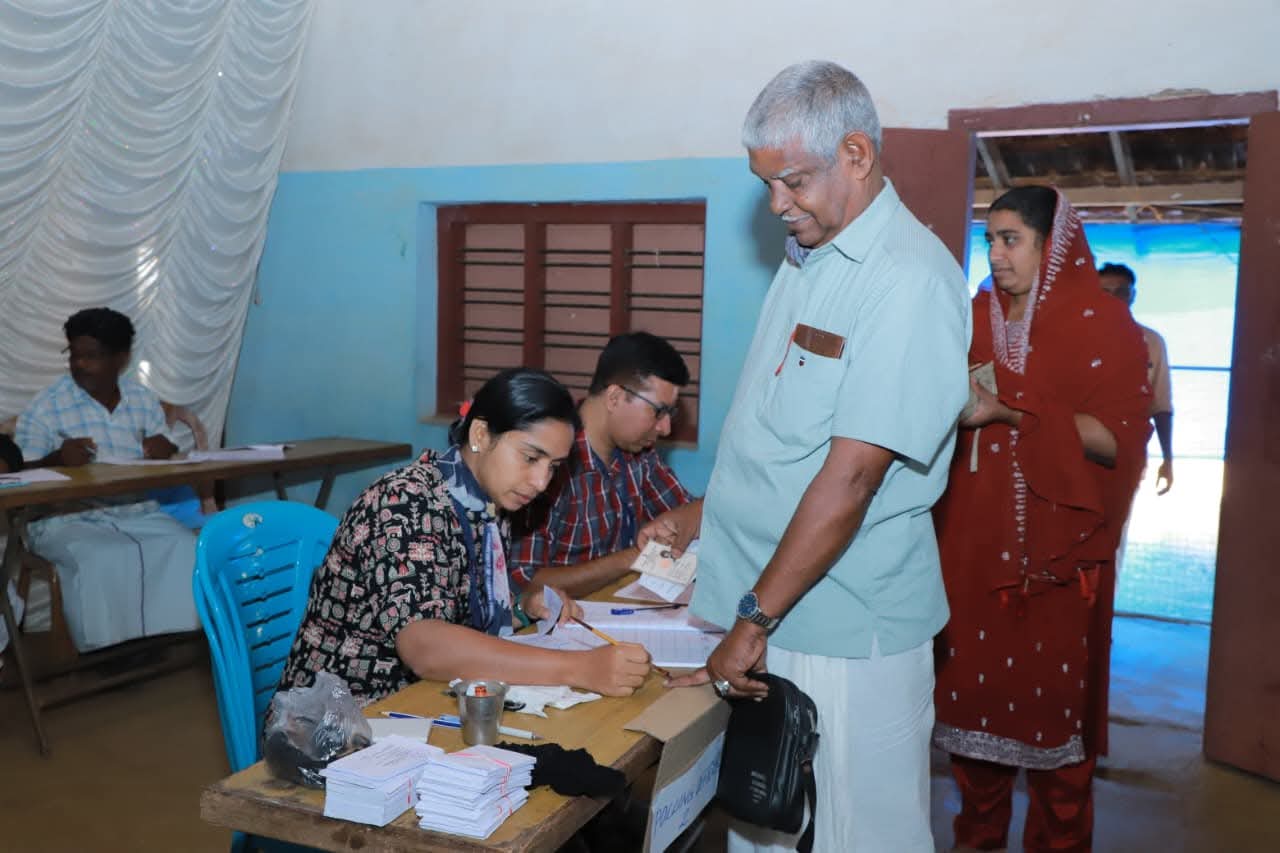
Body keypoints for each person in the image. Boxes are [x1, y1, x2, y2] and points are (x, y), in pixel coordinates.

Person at [655, 61, 972, 851]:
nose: (775, 205)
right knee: (763, 820)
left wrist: (751, 620)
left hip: (845, 620)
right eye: (765, 183)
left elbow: (854, 474)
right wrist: (710, 511)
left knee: (863, 833)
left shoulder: (904, 280)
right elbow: (783, 429)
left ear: (857, 155)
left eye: (792, 181)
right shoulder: (810, 255)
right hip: (776, 600)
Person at [932, 187, 1152, 852]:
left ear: (1051, 247)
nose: (995, 255)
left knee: (1060, 757)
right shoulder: (967, 318)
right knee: (975, 747)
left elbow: (1119, 440)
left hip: (1062, 567)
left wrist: (1015, 409)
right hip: (973, 554)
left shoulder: (1104, 327)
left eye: (1011, 239)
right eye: (990, 239)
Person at [276, 367, 652, 706]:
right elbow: (426, 645)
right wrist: (579, 668)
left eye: (552, 467)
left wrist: (523, 608)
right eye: (530, 457)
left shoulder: (481, 501)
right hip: (340, 723)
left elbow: (457, 612)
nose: (541, 482)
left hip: (422, 703)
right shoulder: (407, 502)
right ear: (480, 434)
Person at [15, 307, 198, 651]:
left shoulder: (142, 400)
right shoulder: (47, 405)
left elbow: (163, 450)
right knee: (101, 556)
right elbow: (16, 476)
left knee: (182, 545)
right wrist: (57, 460)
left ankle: (159, 639)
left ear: (120, 359)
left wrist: (165, 447)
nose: (80, 364)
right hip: (65, 518)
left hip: (135, 511)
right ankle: (110, 651)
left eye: (92, 356)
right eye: (74, 354)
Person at [510, 332, 694, 597]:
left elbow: (685, 512)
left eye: (671, 414)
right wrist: (634, 557)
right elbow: (525, 582)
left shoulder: (638, 453)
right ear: (615, 398)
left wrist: (688, 517)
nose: (665, 428)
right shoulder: (551, 463)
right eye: (658, 411)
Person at [1099, 262, 1174, 494]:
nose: (1114, 299)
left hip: (1129, 451)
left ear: (1133, 295)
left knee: (1118, 524)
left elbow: (1161, 404)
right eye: (1105, 292)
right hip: (1080, 449)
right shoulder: (1075, 339)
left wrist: (1168, 458)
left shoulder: (1152, 342)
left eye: (1121, 292)